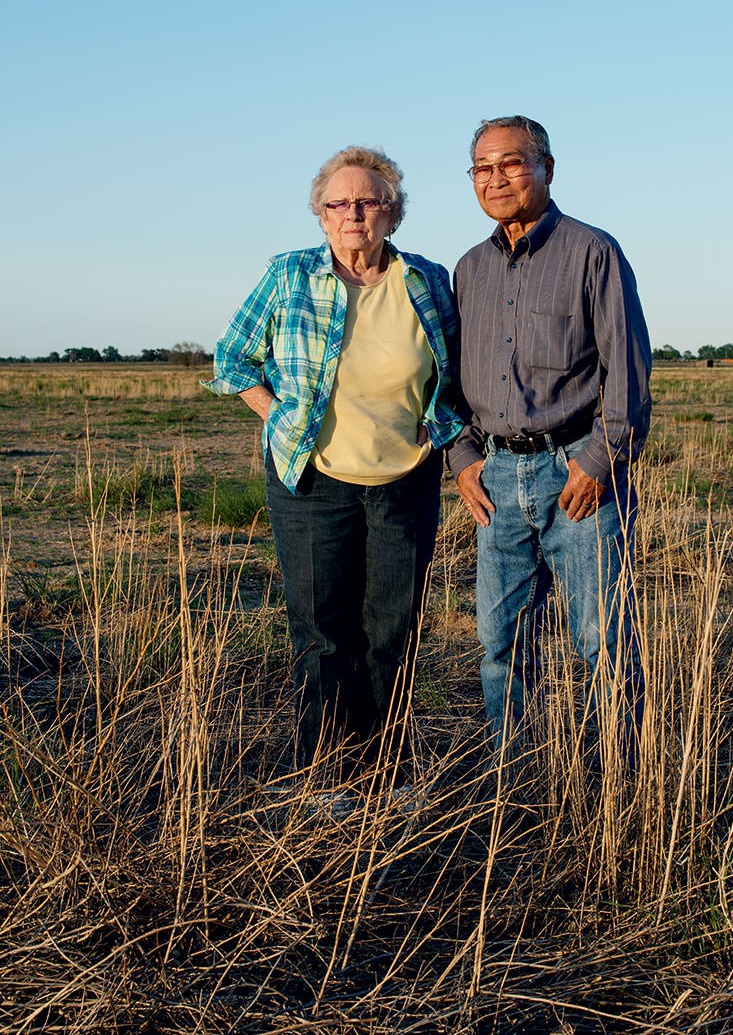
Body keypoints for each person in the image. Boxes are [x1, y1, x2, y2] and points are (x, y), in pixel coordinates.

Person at [206, 146, 463, 781]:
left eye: (368, 201)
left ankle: (386, 773)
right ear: (320, 215)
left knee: (392, 634)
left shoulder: (427, 280)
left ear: (392, 212)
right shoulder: (289, 274)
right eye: (338, 203)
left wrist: (439, 428)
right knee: (323, 635)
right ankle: (324, 777)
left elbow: (458, 370)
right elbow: (231, 357)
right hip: (312, 483)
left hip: (405, 482)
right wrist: (278, 415)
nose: (353, 213)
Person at [448, 116, 651, 753]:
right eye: (482, 168)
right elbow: (450, 377)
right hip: (495, 480)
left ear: (547, 169)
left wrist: (600, 461)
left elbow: (627, 372)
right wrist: (462, 459)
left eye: (512, 163)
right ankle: (516, 778)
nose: (496, 178)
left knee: (602, 640)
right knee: (501, 643)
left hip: (578, 474)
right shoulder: (469, 269)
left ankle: (620, 782)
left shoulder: (593, 252)